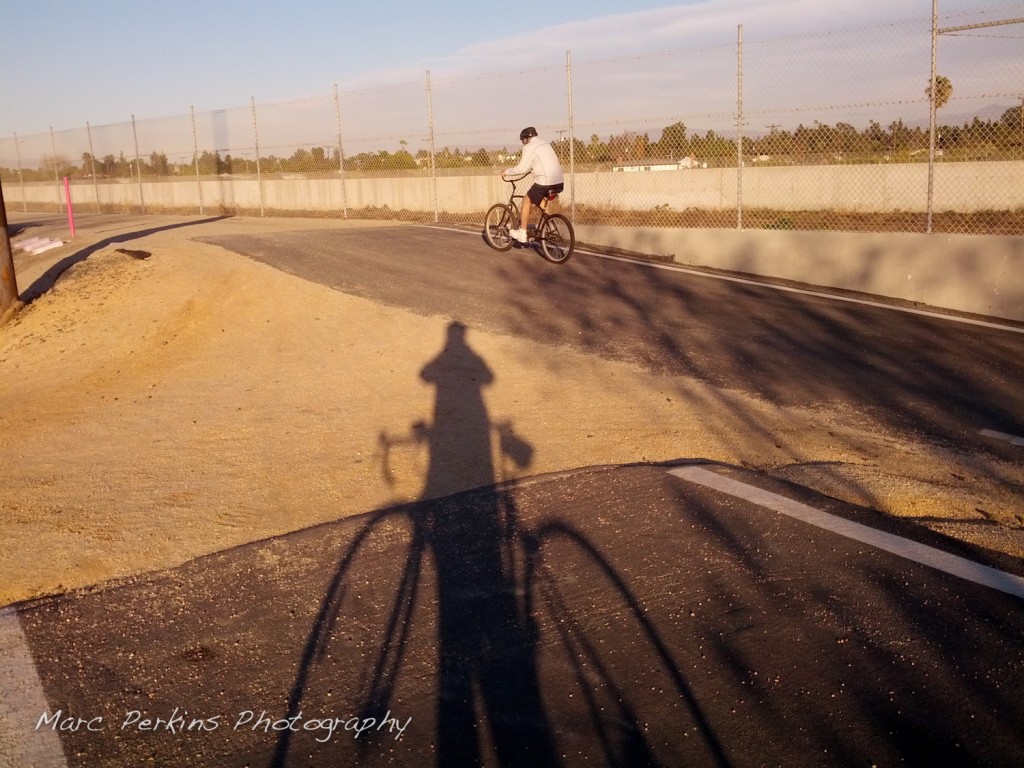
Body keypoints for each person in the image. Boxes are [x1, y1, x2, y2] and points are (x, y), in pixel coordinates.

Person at [501, 126, 564, 243]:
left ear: (525, 139)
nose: (523, 144)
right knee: (541, 201)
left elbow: (521, 168)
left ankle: (522, 233)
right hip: (559, 181)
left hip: (545, 181)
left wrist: (507, 172)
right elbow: (541, 162)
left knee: (527, 201)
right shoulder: (545, 144)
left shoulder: (529, 147)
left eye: (522, 141)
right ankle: (549, 226)